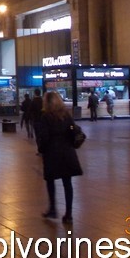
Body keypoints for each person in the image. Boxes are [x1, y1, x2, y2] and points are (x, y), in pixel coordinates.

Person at [36, 91, 83, 224]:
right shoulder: (66, 115)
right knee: (67, 183)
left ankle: (52, 208)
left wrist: (41, 149)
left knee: (50, 180)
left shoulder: (46, 117)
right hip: (67, 151)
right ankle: (68, 214)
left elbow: (44, 137)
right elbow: (73, 130)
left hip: (52, 153)